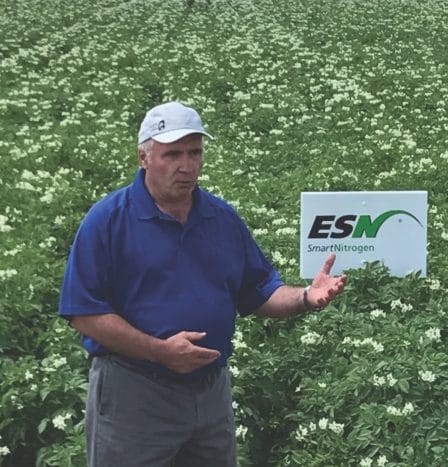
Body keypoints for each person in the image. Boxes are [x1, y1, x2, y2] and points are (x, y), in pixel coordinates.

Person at [58, 101, 347, 467]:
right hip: (135, 392)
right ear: (143, 158)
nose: (187, 165)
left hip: (210, 393)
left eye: (195, 152)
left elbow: (259, 291)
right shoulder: (107, 221)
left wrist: (306, 296)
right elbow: (85, 313)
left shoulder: (221, 218)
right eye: (173, 154)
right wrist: (160, 351)